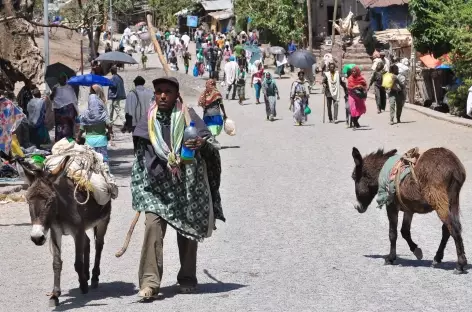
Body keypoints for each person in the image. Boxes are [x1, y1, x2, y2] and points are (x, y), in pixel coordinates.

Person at [131, 76, 225, 300]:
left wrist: (200, 144)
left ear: (176, 95)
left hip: (184, 186)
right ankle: (150, 283)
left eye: (168, 92)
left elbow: (209, 142)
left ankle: (187, 278)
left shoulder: (187, 115)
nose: (163, 95)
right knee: (152, 227)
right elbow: (140, 158)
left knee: (188, 229)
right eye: (159, 91)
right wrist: (150, 180)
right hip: (157, 188)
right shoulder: (147, 120)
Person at [77, 85, 112, 163]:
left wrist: (78, 138)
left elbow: (81, 129)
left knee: (90, 163)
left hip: (89, 142)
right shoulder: (103, 113)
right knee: (103, 162)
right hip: (102, 141)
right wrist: (109, 133)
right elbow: (109, 125)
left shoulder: (85, 115)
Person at [123, 76, 154, 151]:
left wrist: (128, 124)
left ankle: (138, 157)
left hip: (136, 124)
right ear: (143, 83)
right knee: (148, 142)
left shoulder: (131, 94)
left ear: (135, 83)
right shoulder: (150, 92)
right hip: (148, 122)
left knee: (137, 143)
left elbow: (127, 110)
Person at [198, 79, 228, 149]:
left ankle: (211, 142)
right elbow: (221, 104)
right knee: (215, 128)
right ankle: (213, 142)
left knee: (209, 130)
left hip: (206, 115)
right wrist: (224, 114)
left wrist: (205, 108)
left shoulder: (204, 93)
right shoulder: (216, 93)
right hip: (215, 114)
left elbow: (201, 103)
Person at [51, 73, 78, 141]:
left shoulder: (69, 87)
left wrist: (76, 110)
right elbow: (51, 98)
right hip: (58, 111)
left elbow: (73, 99)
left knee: (68, 127)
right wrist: (53, 92)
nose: (61, 80)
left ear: (65, 79)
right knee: (59, 128)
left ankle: (69, 141)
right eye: (59, 79)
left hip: (69, 110)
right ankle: (59, 141)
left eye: (62, 78)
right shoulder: (55, 87)